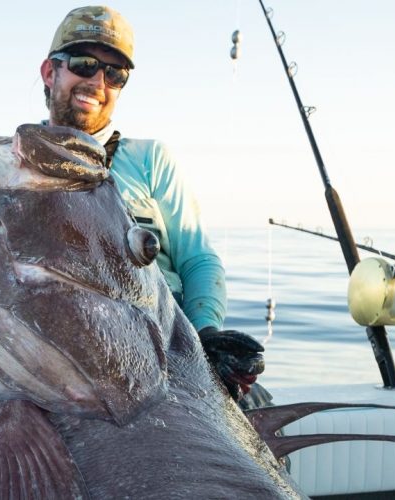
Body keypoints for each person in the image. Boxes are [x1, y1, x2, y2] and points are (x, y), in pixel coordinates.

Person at [41, 6, 268, 406]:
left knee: (257, 413)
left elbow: (198, 259)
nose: (97, 82)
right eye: (84, 64)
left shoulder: (151, 160)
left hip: (166, 354)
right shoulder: (16, 162)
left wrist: (206, 335)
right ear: (50, 72)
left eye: (115, 74)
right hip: (57, 362)